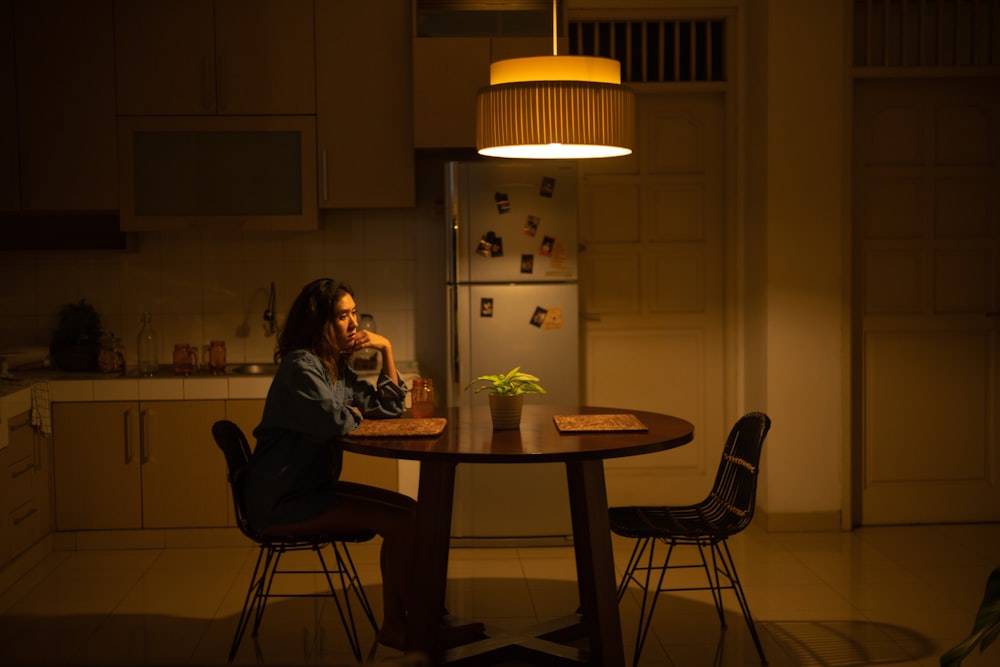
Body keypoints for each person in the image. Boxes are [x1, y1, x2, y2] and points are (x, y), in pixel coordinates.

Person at [243, 278, 413, 650]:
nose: (354, 324)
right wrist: (350, 413)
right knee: (401, 521)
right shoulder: (301, 366)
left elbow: (389, 408)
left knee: (412, 512)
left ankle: (422, 617)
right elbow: (333, 421)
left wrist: (386, 349)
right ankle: (398, 627)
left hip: (310, 489)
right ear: (319, 323)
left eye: (354, 313)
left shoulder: (333, 366)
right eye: (342, 316)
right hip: (283, 500)